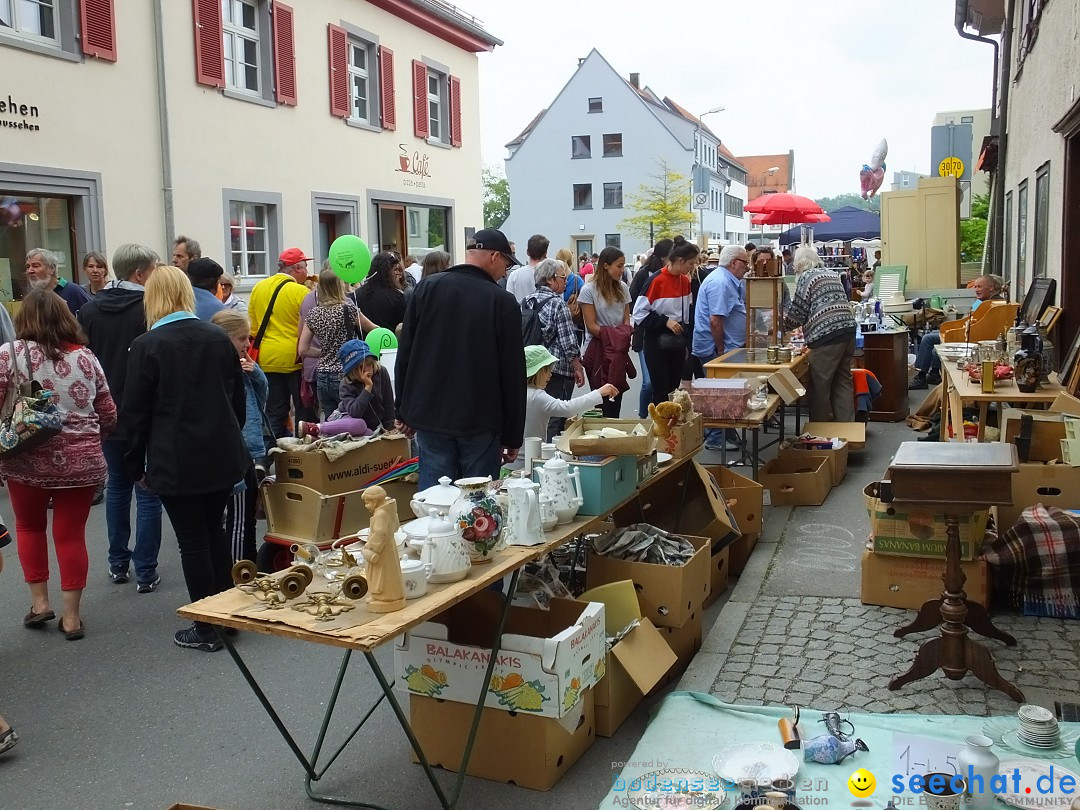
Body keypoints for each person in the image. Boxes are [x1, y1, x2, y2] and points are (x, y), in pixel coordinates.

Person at [120, 265, 249, 652]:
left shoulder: (147, 346)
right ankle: (226, 617)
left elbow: (135, 414)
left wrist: (134, 465)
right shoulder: (216, 337)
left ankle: (207, 627)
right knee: (215, 533)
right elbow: (236, 402)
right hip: (221, 454)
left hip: (176, 459)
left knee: (193, 542)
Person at [2, 289, 116, 641]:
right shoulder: (86, 357)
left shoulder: (8, 355)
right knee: (70, 535)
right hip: (81, 463)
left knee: (30, 527)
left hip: (24, 458)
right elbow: (108, 412)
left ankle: (40, 604)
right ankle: (71, 617)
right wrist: (91, 439)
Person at [396, 228, 525, 489]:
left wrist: (404, 410)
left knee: (434, 502)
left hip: (431, 414)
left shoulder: (427, 289)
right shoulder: (502, 301)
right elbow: (513, 374)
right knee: (477, 507)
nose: (505, 271)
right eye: (506, 264)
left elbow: (406, 354)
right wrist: (513, 435)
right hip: (480, 418)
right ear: (494, 256)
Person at [77, 243, 163, 591]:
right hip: (145, 411)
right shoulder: (149, 308)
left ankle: (117, 564)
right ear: (140, 273)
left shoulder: (90, 309)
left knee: (117, 487)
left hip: (106, 411)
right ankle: (145, 571)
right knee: (147, 491)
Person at [211, 310, 268, 564]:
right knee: (239, 520)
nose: (247, 344)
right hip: (239, 452)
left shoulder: (244, 368)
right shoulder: (223, 372)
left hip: (251, 450)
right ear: (225, 340)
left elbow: (263, 397)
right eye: (242, 339)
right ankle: (239, 572)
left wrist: (255, 373)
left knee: (247, 517)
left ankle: (249, 561)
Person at [784, 246, 858, 422]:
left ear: (800, 263)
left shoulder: (805, 277)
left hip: (826, 337)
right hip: (847, 331)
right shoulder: (832, 274)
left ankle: (820, 434)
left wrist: (783, 327)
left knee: (820, 387)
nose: (794, 269)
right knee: (843, 383)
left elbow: (798, 311)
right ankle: (847, 433)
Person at [247, 248, 312, 438]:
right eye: (305, 266)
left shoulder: (259, 287)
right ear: (297, 268)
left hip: (267, 358)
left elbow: (253, 329)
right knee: (303, 411)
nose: (307, 271)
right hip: (295, 359)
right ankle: (302, 456)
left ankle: (265, 459)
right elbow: (310, 326)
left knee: (274, 412)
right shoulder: (301, 292)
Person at [693, 245, 750, 450]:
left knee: (725, 392)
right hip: (714, 347)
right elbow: (715, 320)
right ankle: (716, 438)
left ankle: (724, 434)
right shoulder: (721, 282)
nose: (747, 267)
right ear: (734, 262)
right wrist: (720, 350)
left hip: (723, 346)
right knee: (718, 393)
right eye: (745, 263)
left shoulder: (729, 281)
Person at [521, 258, 585, 439]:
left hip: (530, 366)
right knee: (554, 416)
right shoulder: (557, 304)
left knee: (533, 414)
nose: (566, 281)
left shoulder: (526, 301)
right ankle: (548, 453)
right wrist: (578, 367)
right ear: (550, 279)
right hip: (553, 367)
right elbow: (568, 342)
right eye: (563, 277)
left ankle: (533, 450)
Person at [909, 274, 1004, 390]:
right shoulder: (986, 302)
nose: (976, 290)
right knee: (932, 338)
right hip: (968, 332)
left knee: (928, 339)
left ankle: (921, 376)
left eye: (979, 286)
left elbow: (978, 326)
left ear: (991, 287)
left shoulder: (992, 304)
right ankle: (933, 374)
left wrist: (956, 329)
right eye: (976, 287)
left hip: (970, 336)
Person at [633, 236, 697, 406]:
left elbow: (687, 316)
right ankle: (660, 428)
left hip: (676, 341)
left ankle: (671, 427)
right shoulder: (656, 280)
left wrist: (685, 343)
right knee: (660, 391)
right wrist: (665, 321)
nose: (693, 268)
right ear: (680, 261)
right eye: (691, 264)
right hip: (656, 342)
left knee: (673, 389)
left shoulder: (685, 280)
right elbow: (639, 313)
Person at [298, 339, 394, 439]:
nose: (366, 370)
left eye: (369, 364)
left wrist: (389, 427)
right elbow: (355, 412)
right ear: (352, 370)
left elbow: (389, 403)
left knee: (370, 433)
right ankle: (318, 428)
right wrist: (367, 387)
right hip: (346, 418)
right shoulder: (346, 383)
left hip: (369, 426)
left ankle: (319, 437)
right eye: (359, 367)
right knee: (359, 424)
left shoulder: (381, 372)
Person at [299, 270, 363, 417]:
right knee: (349, 419)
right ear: (339, 286)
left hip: (322, 375)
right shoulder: (348, 309)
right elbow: (370, 327)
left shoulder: (314, 314)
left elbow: (302, 349)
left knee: (331, 421)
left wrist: (323, 352)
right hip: (345, 373)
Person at [579, 246, 632, 417]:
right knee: (601, 399)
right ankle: (601, 438)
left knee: (616, 396)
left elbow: (626, 319)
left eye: (623, 266)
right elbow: (591, 326)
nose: (622, 270)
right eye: (619, 266)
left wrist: (620, 338)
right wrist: (620, 335)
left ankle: (612, 437)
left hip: (618, 350)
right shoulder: (588, 290)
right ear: (606, 266)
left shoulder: (623, 287)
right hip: (597, 351)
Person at [524, 345, 616, 441]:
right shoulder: (537, 397)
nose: (551, 374)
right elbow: (568, 408)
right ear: (539, 372)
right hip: (531, 453)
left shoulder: (518, 393)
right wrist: (599, 392)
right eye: (548, 370)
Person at [629, 239, 674, 417]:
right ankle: (642, 416)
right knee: (649, 382)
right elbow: (634, 304)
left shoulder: (675, 276)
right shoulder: (644, 275)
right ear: (664, 257)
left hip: (667, 337)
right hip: (645, 334)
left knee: (664, 382)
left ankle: (660, 418)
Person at [25, 248, 91, 315]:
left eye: (35, 266)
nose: (30, 271)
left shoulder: (74, 291)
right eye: (27, 267)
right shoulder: (31, 298)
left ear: (51, 269)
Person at [353, 251, 407, 333]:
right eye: (395, 270)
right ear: (386, 272)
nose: (398, 273)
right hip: (390, 343)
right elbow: (405, 325)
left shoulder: (356, 295)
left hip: (363, 344)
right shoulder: (397, 296)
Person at [507, 234, 549, 304]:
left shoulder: (514, 275)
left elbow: (508, 301)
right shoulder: (550, 276)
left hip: (520, 314)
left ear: (527, 252)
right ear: (545, 254)